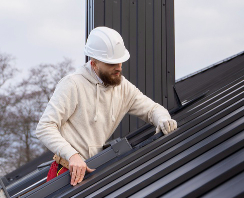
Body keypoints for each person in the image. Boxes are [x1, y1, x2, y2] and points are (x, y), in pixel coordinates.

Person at [36, 26, 178, 186]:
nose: (118, 67)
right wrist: (72, 155)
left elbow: (153, 109)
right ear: (94, 63)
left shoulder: (123, 87)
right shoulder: (73, 84)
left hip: (93, 171)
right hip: (66, 173)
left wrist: (163, 119)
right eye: (111, 63)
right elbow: (45, 127)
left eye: (120, 61)